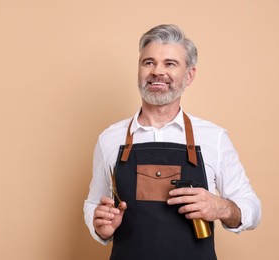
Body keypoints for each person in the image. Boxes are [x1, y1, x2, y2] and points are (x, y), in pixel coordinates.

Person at [83, 24, 261, 259]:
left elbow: (252, 207)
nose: (157, 71)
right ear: (139, 70)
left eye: (170, 64)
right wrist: (99, 227)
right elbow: (94, 203)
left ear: (189, 75)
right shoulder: (110, 139)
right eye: (149, 62)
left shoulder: (214, 137)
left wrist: (221, 206)